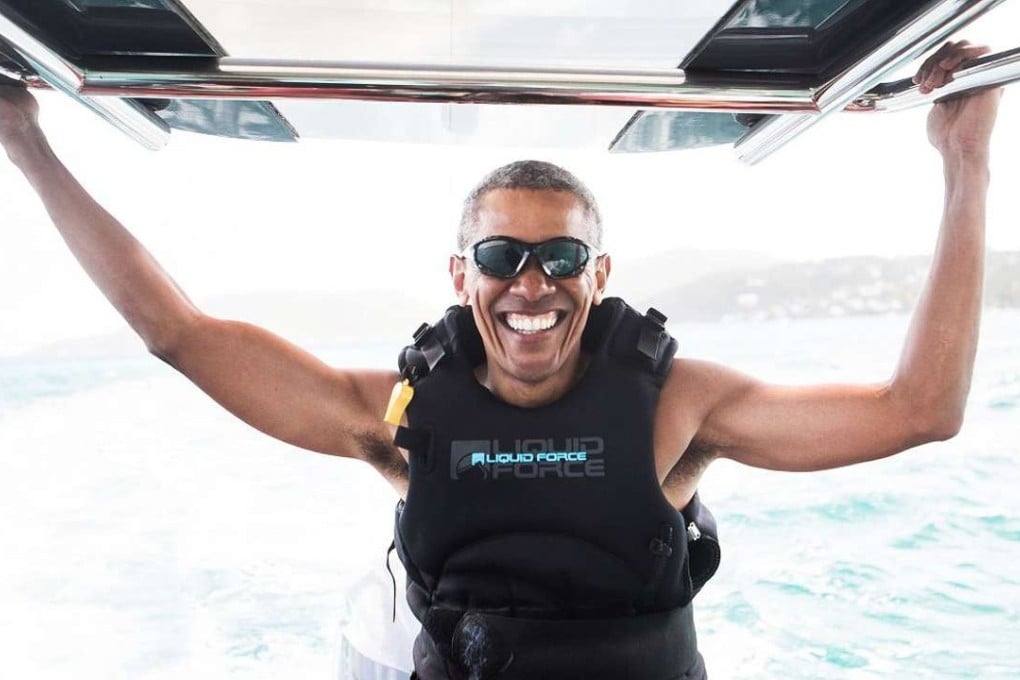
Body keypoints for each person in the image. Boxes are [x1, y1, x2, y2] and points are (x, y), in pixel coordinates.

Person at [0, 40, 1002, 679]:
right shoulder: (398, 411)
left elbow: (918, 409)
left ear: (598, 272)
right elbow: (176, 332)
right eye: (500, 255)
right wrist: (27, 142)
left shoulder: (680, 405)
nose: (533, 282)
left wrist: (966, 163)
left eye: (561, 256)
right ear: (460, 272)